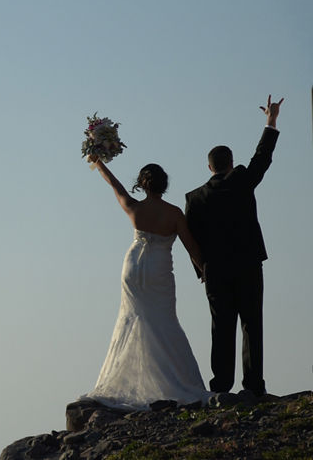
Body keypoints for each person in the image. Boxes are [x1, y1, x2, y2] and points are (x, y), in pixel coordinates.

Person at [81, 159, 212, 409]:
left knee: (132, 318)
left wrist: (98, 162)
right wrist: (204, 269)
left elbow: (115, 185)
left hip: (132, 267)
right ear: (164, 185)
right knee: (164, 320)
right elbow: (191, 246)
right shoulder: (174, 213)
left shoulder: (134, 207)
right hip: (159, 267)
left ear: (142, 184)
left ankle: (131, 379)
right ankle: (176, 380)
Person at [184, 95, 283, 397]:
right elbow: (262, 157)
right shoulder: (242, 180)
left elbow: (191, 238)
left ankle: (221, 386)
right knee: (252, 324)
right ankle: (253, 386)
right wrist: (271, 122)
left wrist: (201, 269)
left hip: (214, 270)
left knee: (221, 328)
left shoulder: (195, 198)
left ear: (208, 165)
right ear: (231, 162)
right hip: (248, 264)